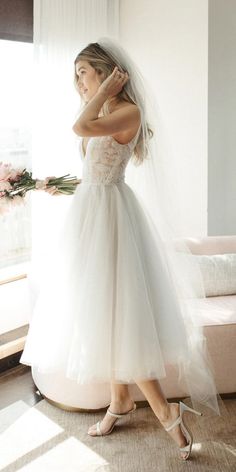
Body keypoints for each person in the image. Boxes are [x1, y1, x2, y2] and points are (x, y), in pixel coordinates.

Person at [20, 39, 222, 461]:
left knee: (119, 315)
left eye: (83, 72)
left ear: (108, 72)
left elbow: (80, 128)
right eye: (76, 75)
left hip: (111, 218)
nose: (79, 81)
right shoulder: (106, 111)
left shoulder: (125, 111)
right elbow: (93, 166)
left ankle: (168, 415)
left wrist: (102, 93)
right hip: (91, 213)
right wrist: (53, 185)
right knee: (103, 314)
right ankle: (120, 401)